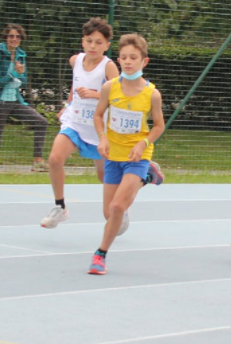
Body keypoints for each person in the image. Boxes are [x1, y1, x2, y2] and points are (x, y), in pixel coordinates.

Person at [41, 18, 161, 234]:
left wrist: (94, 95)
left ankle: (143, 179)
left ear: (107, 45)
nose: (93, 46)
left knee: (104, 177)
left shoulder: (109, 66)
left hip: (100, 130)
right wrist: (68, 103)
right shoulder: (75, 60)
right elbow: (76, 84)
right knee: (55, 158)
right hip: (75, 123)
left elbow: (119, 93)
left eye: (98, 42)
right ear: (83, 42)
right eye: (89, 41)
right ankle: (60, 206)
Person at [87, 34, 165, 275]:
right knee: (109, 213)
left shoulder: (152, 94)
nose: (128, 62)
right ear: (118, 59)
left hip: (137, 157)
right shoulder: (110, 87)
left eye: (133, 57)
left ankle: (100, 255)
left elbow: (159, 126)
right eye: (123, 57)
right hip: (113, 156)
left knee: (119, 207)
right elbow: (98, 115)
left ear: (145, 61)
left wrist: (143, 144)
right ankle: (149, 177)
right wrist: (102, 137)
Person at [0, 24, 49, 171]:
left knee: (41, 122)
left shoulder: (21, 55)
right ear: (6, 37)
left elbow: (23, 81)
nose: (14, 39)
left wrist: (21, 75)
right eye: (11, 36)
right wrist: (14, 75)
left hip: (15, 101)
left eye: (17, 36)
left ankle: (37, 161)